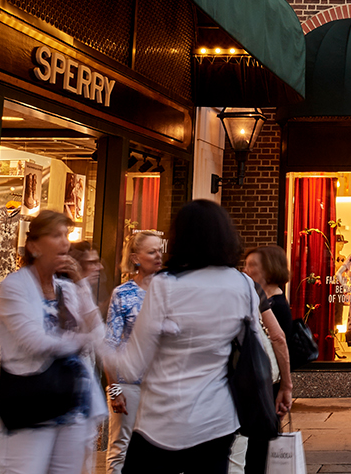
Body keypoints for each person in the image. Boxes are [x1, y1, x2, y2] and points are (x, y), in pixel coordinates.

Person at [104, 200, 267, 473]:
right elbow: (254, 344)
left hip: (162, 422)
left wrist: (93, 338)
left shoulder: (165, 286)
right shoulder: (242, 284)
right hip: (218, 418)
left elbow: (133, 363)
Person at [0, 210, 107, 473]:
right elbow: (34, 341)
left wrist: (80, 283)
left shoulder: (67, 288)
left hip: (72, 401)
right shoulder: (15, 286)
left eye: (66, 235)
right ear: (34, 246)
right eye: (55, 235)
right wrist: (79, 341)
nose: (65, 242)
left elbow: (98, 333)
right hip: (31, 402)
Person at [102, 230, 165, 474]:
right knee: (121, 448)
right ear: (136, 258)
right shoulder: (123, 293)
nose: (158, 255)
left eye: (160, 250)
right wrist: (114, 390)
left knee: (160, 450)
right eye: (152, 251)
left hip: (163, 385)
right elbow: (110, 345)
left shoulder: (171, 291)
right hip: (130, 385)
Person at [237, 245, 296, 474]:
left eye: (252, 265)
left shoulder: (276, 305)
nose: (246, 270)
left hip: (266, 384)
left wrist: (286, 385)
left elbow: (280, 341)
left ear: (269, 270)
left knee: (259, 448)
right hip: (262, 382)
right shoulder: (263, 299)